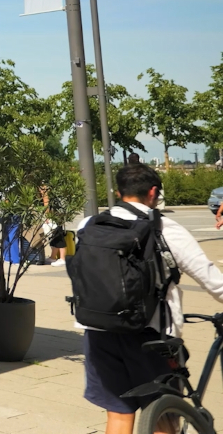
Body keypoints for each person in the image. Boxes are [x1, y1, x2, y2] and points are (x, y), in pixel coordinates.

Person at [77, 163, 223, 434]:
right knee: (162, 420)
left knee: (119, 416)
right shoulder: (165, 228)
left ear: (119, 191)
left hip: (99, 331)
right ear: (153, 192)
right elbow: (214, 283)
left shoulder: (89, 225)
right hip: (152, 337)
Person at [41, 185, 67, 266]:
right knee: (54, 237)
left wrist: (47, 216)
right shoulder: (56, 195)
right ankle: (53, 256)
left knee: (58, 237)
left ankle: (62, 258)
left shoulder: (46, 194)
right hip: (58, 215)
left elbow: (46, 204)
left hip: (54, 217)